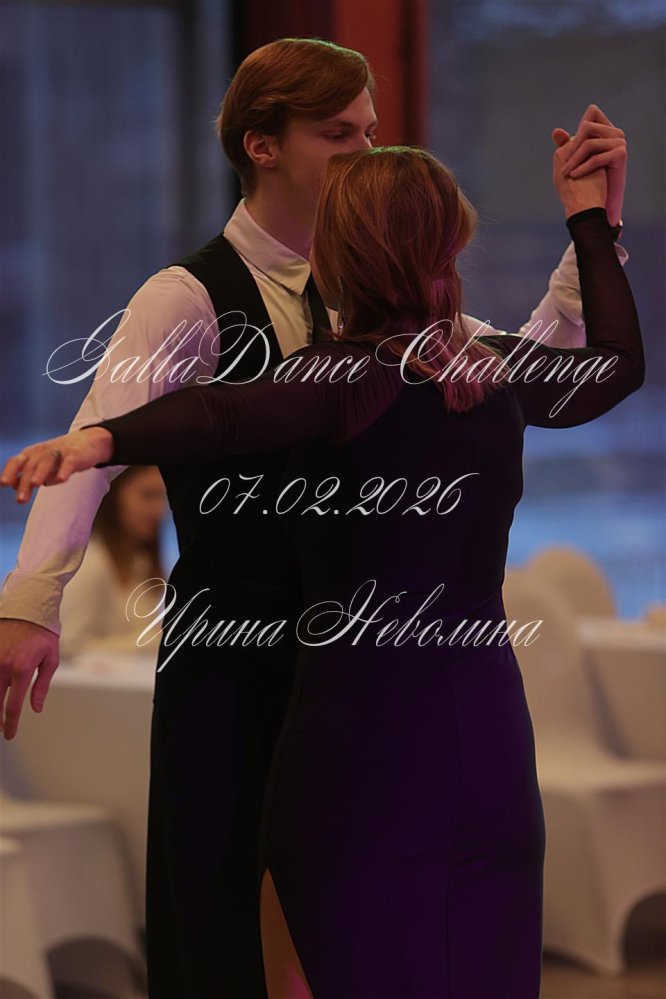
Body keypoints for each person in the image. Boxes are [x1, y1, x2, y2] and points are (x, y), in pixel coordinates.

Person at [0, 34, 629, 998]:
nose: (363, 151)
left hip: (361, 680)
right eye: (339, 134)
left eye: (370, 132)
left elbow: (514, 378)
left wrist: (591, 234)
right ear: (264, 145)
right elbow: (110, 434)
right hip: (237, 660)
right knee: (224, 929)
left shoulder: (407, 316)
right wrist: (32, 598)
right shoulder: (187, 295)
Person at [59, 466, 166, 659]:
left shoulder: (141, 561)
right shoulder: (91, 564)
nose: (158, 510)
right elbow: (69, 646)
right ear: (114, 496)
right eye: (148, 495)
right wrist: (151, 642)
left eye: (162, 497)